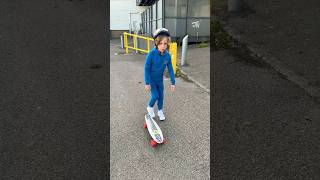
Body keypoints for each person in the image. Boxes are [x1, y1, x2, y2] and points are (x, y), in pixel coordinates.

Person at [144, 28, 176, 121]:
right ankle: (150, 107)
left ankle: (160, 111)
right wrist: (147, 83)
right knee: (155, 96)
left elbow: (170, 69)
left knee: (161, 96)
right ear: (156, 43)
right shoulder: (151, 54)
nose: (163, 46)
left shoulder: (167, 55)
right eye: (160, 43)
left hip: (159, 80)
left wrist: (173, 83)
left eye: (165, 43)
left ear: (167, 44)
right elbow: (146, 68)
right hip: (151, 80)